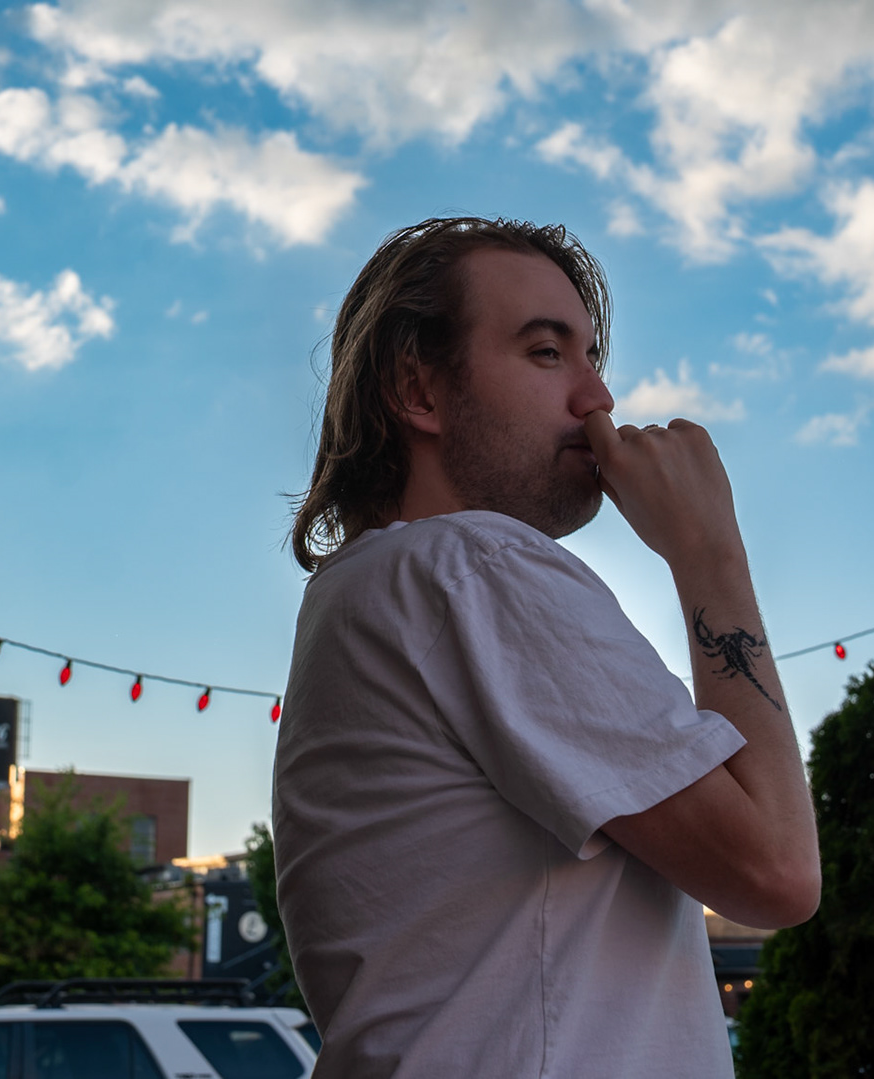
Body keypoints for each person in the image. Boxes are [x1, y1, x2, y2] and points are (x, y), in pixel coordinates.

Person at [274, 217, 820, 1078]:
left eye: (592, 356)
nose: (597, 398)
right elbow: (778, 870)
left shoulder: (370, 586)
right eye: (544, 352)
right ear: (417, 389)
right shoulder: (474, 566)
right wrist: (711, 554)